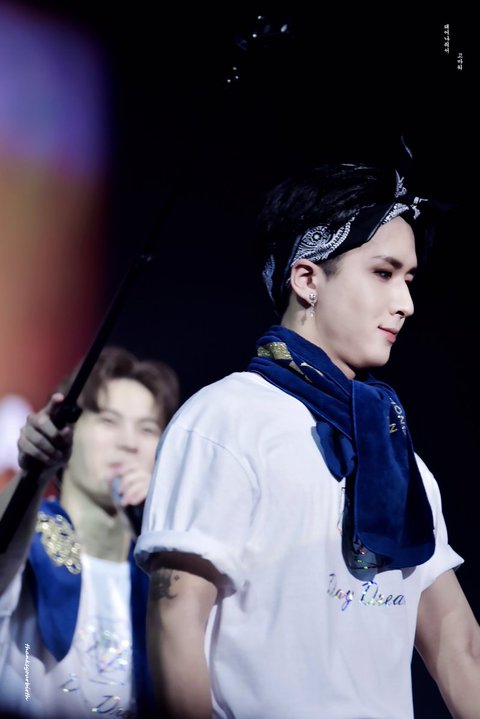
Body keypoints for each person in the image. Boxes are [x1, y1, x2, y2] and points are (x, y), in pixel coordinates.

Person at [134, 160, 480, 719]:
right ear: (307, 279)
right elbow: (176, 618)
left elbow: (458, 647)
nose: (406, 303)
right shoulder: (226, 419)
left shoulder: (398, 455)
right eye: (383, 272)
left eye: (409, 280)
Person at [0, 345, 180, 719]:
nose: (129, 443)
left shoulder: (164, 570)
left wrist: (162, 522)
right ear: (68, 434)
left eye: (148, 429)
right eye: (109, 421)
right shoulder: (25, 543)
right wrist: (35, 473)